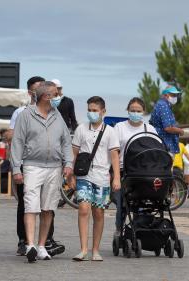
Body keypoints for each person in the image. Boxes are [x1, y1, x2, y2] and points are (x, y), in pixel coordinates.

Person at [10, 81, 73, 263]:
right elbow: (17, 142)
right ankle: (29, 245)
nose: (59, 97)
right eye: (56, 94)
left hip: (54, 167)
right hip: (32, 166)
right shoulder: (26, 115)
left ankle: (42, 246)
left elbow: (66, 141)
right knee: (31, 205)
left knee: (48, 208)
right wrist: (16, 168)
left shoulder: (57, 115)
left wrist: (68, 163)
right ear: (46, 96)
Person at [71, 96, 120, 262]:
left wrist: (116, 179)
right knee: (83, 209)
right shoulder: (81, 129)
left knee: (98, 212)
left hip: (102, 177)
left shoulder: (110, 132)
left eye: (95, 110)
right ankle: (83, 249)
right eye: (89, 110)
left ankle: (96, 250)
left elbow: (114, 157)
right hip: (84, 175)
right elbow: (74, 153)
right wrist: (70, 174)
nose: (91, 113)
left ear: (103, 111)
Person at [113, 98, 157, 234]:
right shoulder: (119, 127)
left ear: (143, 112)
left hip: (144, 172)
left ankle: (140, 230)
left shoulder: (149, 129)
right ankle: (119, 230)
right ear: (128, 110)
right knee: (122, 205)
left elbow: (156, 150)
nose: (135, 113)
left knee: (143, 203)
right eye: (132, 110)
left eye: (138, 111)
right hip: (124, 171)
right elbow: (113, 150)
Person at [149, 85, 184, 156]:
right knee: (165, 166)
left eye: (176, 95)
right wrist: (180, 131)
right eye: (173, 95)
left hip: (160, 144)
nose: (175, 97)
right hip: (164, 145)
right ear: (165, 95)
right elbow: (168, 128)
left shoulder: (163, 105)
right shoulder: (164, 106)